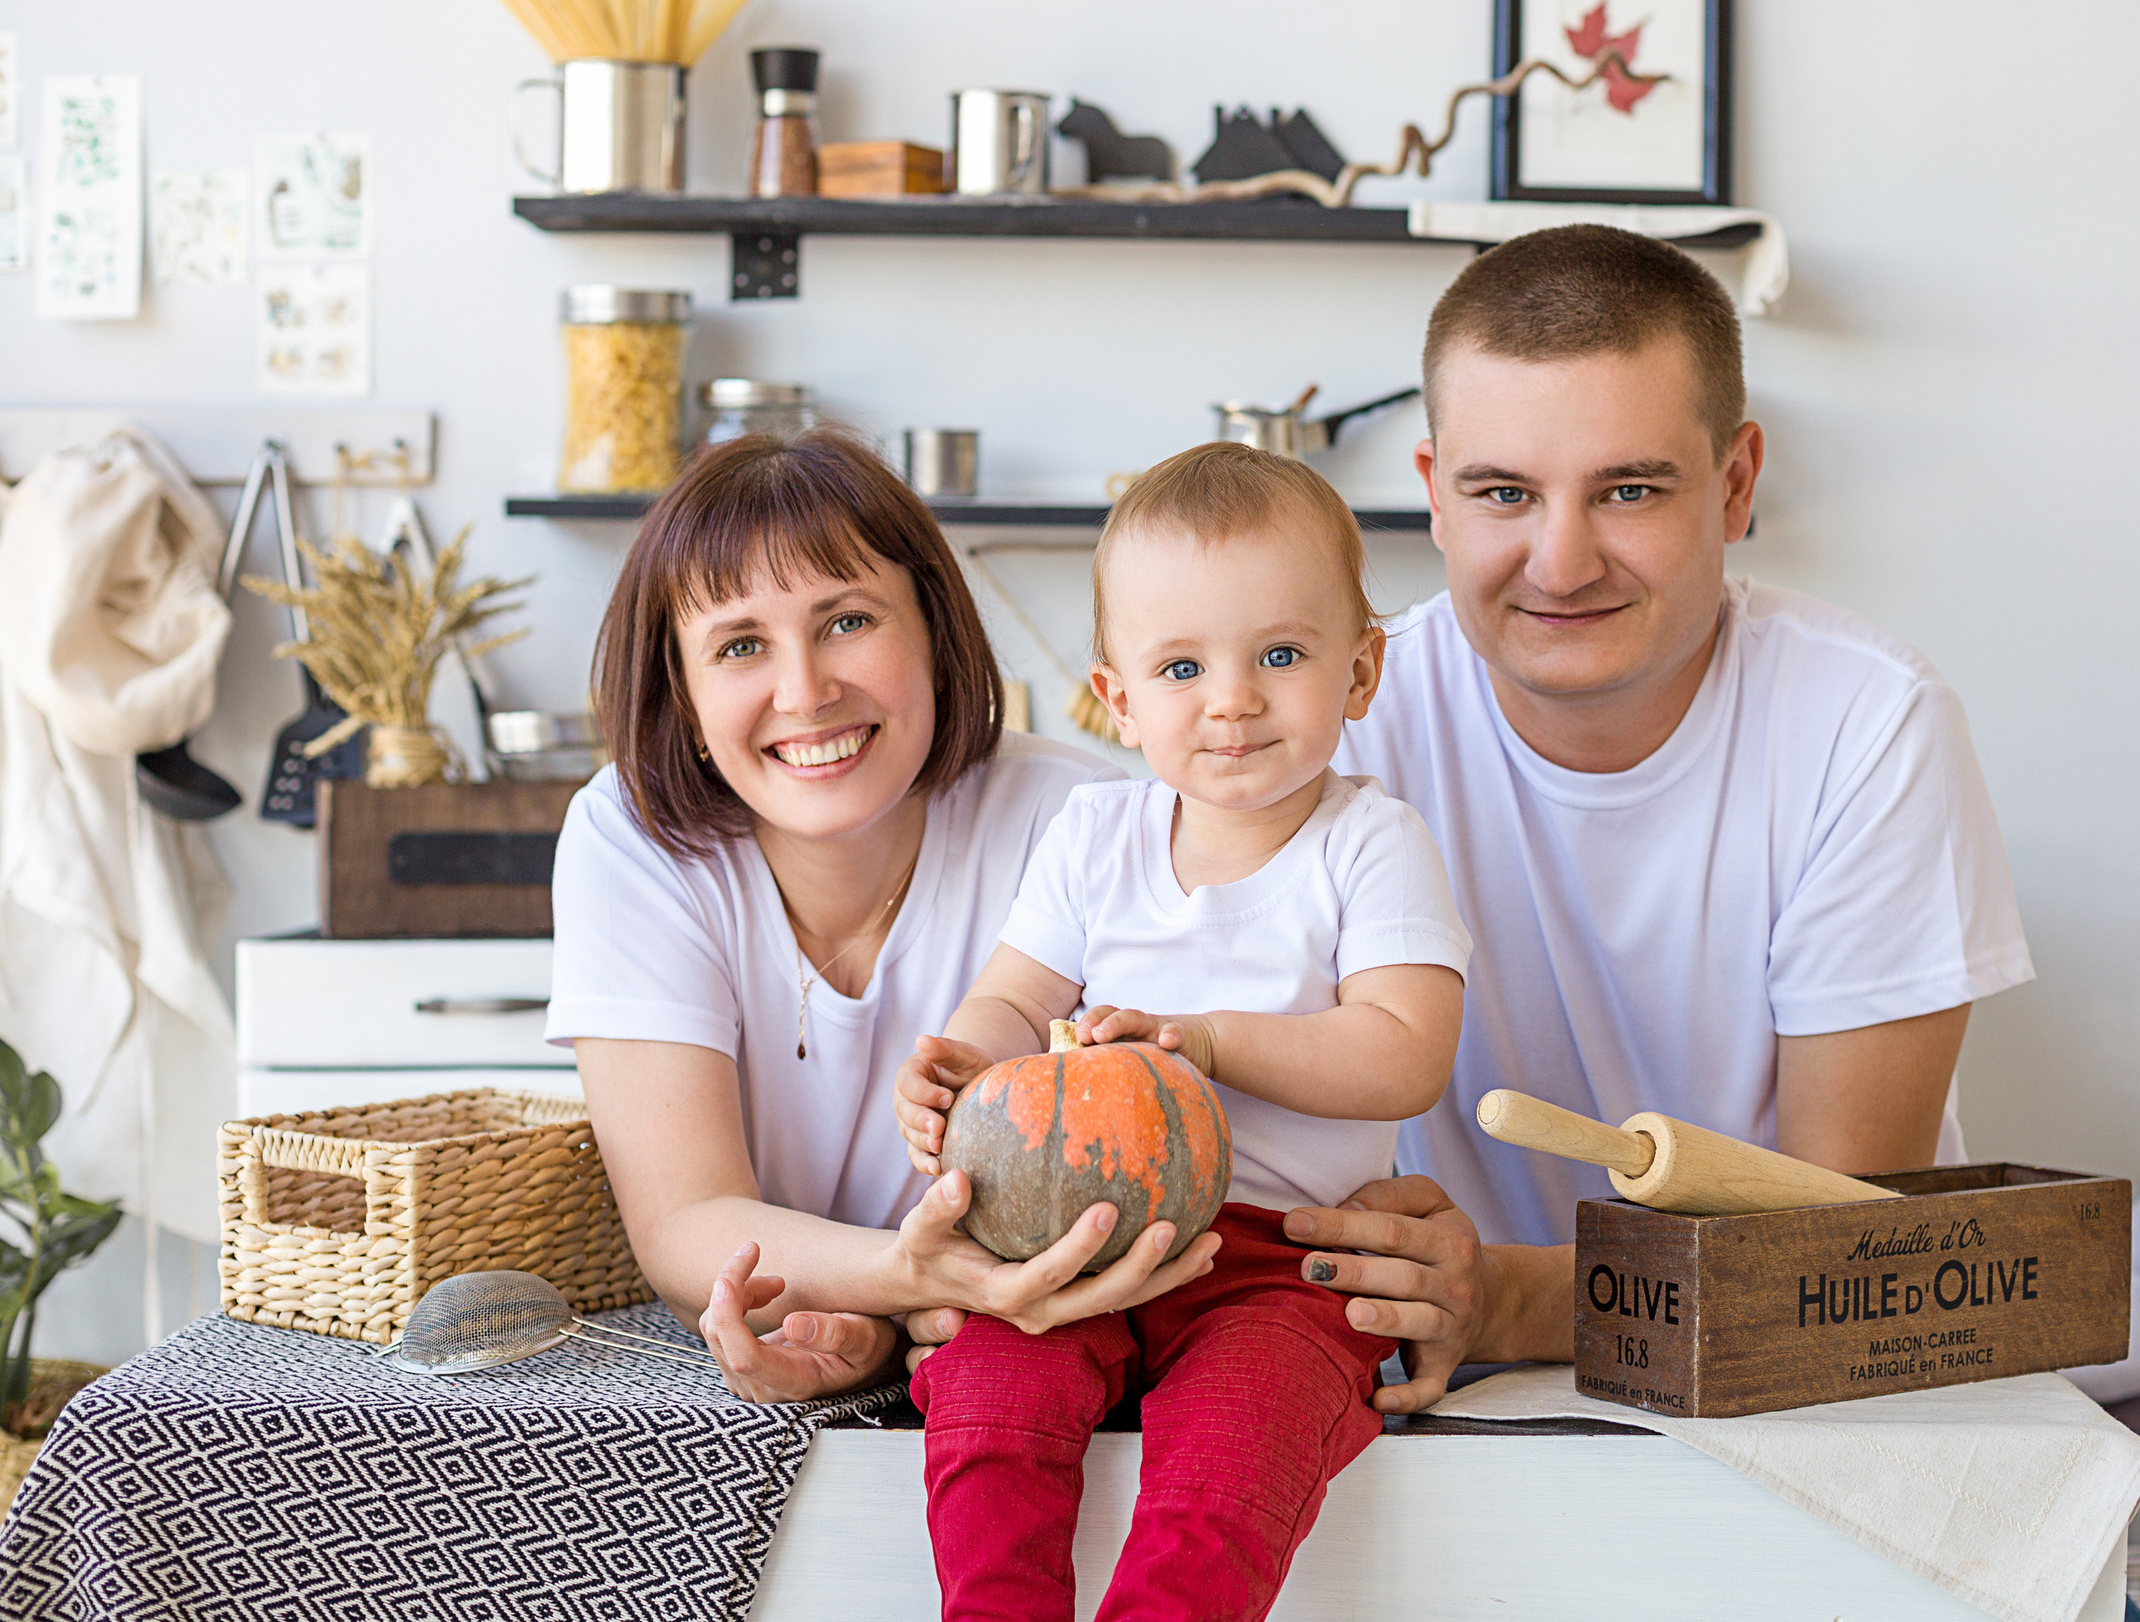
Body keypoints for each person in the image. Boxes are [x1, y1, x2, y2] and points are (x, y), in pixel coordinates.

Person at [1284, 224, 2037, 1413]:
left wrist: (1511, 1297)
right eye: (1503, 494)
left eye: (1628, 490)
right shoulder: (1334, 724)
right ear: (1433, 496)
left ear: (1736, 484)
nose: (1561, 561)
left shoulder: (1866, 724)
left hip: (1805, 1397)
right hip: (1439, 1390)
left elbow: (1836, 1258)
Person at [892, 443, 1471, 1621]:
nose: (1232, 698)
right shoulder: (1091, 836)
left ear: (1359, 671)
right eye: (1180, 666)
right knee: (988, 1401)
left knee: (1232, 1461)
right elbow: (1012, 1000)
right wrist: (961, 1062)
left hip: (1280, 1263)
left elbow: (1404, 1049)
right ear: (1118, 699)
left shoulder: (1371, 845)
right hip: (1073, 1246)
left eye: (1280, 654)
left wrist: (1205, 1043)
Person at [548, 427, 1218, 1404]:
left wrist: (893, 1313)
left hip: (1044, 1362)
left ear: (934, 636)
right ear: (684, 695)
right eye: (740, 645)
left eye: (847, 621)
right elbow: (685, 1225)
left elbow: (1145, 1171)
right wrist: (890, 1305)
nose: (805, 692)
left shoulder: (1079, 820)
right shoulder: (629, 834)